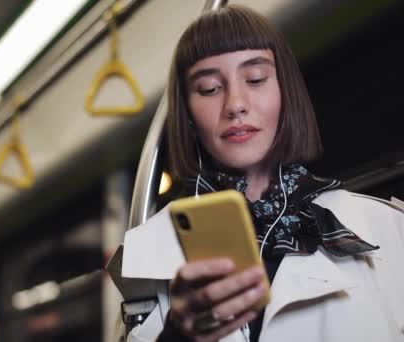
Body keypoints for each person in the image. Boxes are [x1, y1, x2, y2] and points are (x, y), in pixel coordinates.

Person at [114, 4, 404, 342]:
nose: (235, 104)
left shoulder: (387, 230)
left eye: (255, 79)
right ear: (188, 115)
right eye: (209, 88)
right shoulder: (148, 256)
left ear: (285, 92)